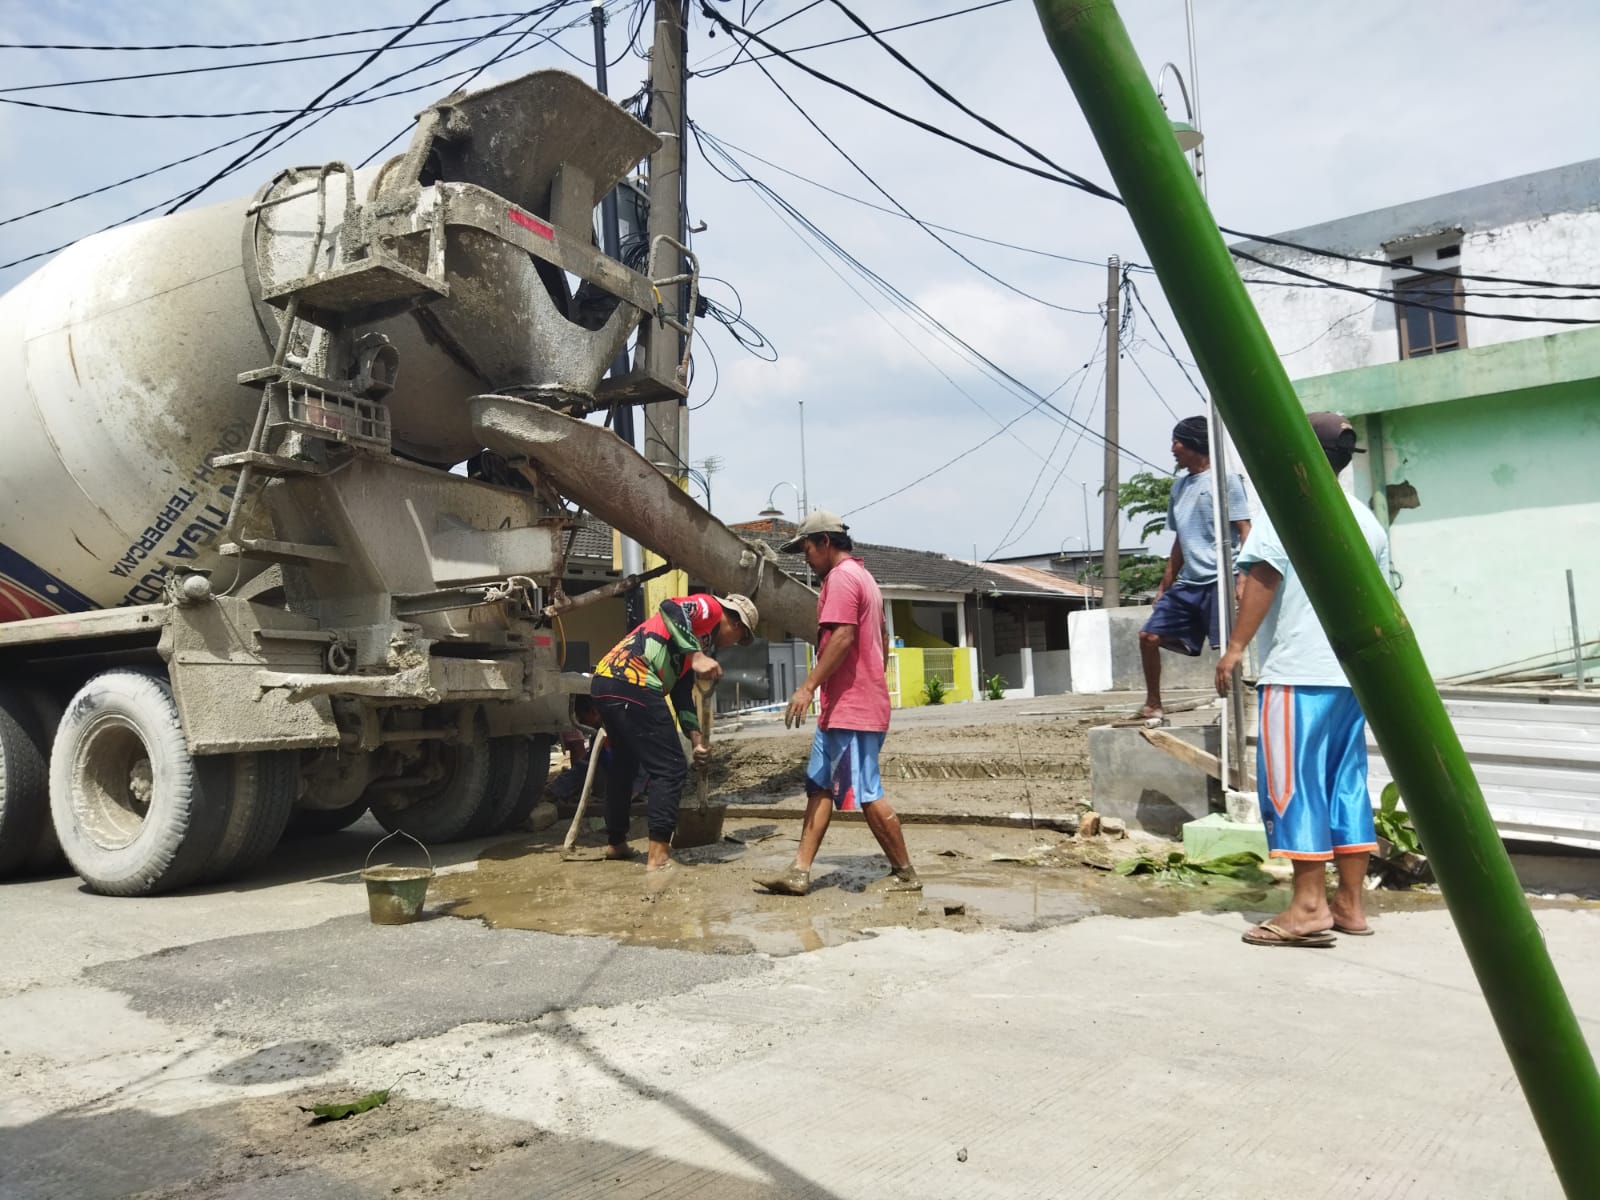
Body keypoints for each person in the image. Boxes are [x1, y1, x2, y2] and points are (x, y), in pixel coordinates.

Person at [1214, 412, 1389, 948]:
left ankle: (1308, 908)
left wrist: (1237, 646)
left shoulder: (1287, 511)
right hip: (1349, 678)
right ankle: (1350, 905)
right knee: (1346, 785)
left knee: (1293, 786)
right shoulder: (1366, 519)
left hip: (1297, 675)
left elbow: (1262, 579)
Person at [754, 511, 920, 897]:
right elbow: (879, 633)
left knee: (865, 792)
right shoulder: (864, 579)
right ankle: (799, 871)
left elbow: (843, 637)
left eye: (807, 549)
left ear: (825, 542)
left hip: (853, 710)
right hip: (843, 706)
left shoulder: (843, 579)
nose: (805, 558)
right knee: (820, 786)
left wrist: (807, 686)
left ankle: (906, 872)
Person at [591, 592, 758, 871]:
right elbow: (670, 606)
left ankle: (616, 843)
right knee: (670, 767)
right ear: (737, 624)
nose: (734, 645)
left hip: (606, 681)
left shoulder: (694, 638)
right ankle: (658, 857)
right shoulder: (711, 609)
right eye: (740, 640)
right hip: (634, 680)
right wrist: (696, 656)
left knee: (625, 765)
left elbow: (681, 694)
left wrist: (697, 742)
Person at [1139, 415, 1251, 721]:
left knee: (1227, 651)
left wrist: (1243, 576)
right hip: (1189, 583)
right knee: (1148, 636)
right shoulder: (1179, 487)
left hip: (1220, 579)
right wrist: (1165, 585)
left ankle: (1238, 712)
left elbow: (1244, 528)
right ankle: (1153, 703)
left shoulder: (1226, 480)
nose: (1173, 448)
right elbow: (1181, 539)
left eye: (1177, 441)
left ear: (1194, 443)